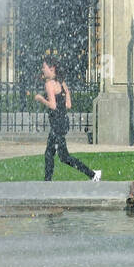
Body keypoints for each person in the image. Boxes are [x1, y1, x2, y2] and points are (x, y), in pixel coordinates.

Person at [34, 55, 101, 183]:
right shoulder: (61, 82)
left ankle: (92, 174)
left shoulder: (49, 84)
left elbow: (53, 105)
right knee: (55, 154)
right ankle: (48, 181)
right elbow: (68, 105)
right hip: (63, 122)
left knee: (57, 155)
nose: (43, 70)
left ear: (51, 68)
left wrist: (41, 99)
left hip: (57, 124)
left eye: (44, 67)